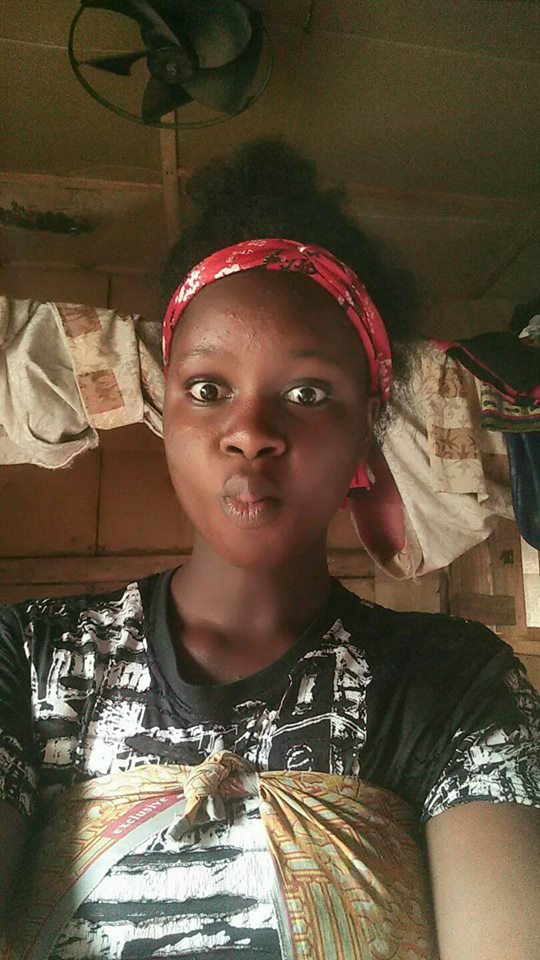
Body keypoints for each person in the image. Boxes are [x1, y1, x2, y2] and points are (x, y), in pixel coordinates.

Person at [0, 139, 538, 960]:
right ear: (167, 413)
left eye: (307, 392)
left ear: (368, 427)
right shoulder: (29, 657)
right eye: (207, 389)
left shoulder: (456, 685)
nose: (250, 431)